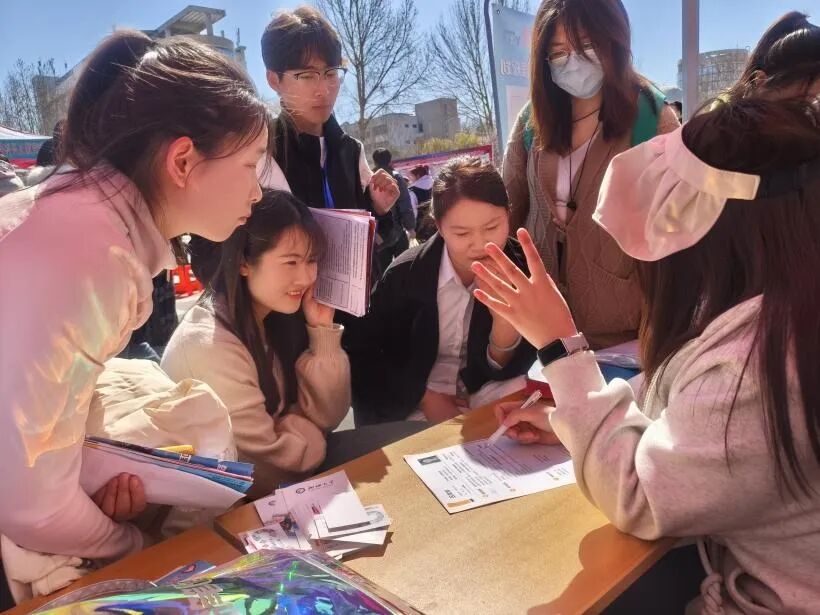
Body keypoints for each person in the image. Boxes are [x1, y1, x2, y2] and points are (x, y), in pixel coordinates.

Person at [476, 95, 820, 612]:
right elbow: (692, 405)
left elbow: (638, 497)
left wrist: (560, 347)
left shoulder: (762, 365)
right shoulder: (787, 315)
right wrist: (572, 420)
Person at [0, 30, 269, 564]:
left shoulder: (81, 217)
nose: (258, 190)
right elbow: (32, 508)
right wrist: (142, 549)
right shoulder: (93, 257)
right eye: (251, 164)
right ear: (183, 161)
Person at [503, 0, 679, 350]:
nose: (574, 61)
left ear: (614, 39)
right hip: (543, 333)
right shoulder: (531, 121)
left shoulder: (650, 119)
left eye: (586, 45)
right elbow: (509, 207)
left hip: (626, 337)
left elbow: (678, 237)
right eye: (558, 52)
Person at [162, 190, 350, 496]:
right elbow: (268, 469)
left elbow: (331, 415)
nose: (306, 277)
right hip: (225, 511)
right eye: (291, 262)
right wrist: (305, 426)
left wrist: (322, 331)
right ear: (244, 262)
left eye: (312, 261)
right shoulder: (209, 345)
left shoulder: (267, 317)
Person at [345, 157, 536, 426]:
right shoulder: (405, 275)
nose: (480, 244)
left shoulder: (521, 268)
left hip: (485, 389)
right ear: (440, 227)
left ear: (508, 213)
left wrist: (504, 325)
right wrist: (424, 397)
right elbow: (362, 354)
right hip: (412, 398)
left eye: (492, 227)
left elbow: (522, 361)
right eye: (462, 233)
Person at [258, 7, 399, 278]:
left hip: (359, 299)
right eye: (306, 75)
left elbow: (378, 244)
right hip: (292, 302)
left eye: (331, 73)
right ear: (274, 79)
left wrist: (380, 209)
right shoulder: (260, 154)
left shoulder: (351, 150)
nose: (323, 90)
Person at [373, 147, 415, 263]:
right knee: (402, 265)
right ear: (390, 160)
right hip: (397, 230)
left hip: (379, 234)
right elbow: (404, 203)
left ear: (374, 161)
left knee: (383, 268)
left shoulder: (371, 178)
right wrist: (410, 226)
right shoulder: (396, 177)